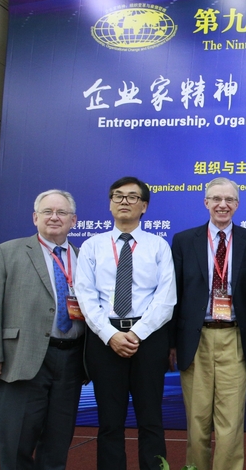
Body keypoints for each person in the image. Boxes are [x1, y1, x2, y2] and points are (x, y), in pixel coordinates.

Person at [0, 189, 84, 470]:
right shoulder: (6, 252)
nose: (54, 217)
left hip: (72, 360)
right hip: (22, 357)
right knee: (17, 440)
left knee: (58, 440)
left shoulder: (85, 257)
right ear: (35, 218)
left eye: (62, 212)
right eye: (47, 212)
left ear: (74, 220)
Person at [75, 176, 176, 470]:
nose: (124, 202)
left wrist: (136, 334)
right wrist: (111, 335)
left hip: (148, 339)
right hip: (104, 340)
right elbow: (85, 296)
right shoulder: (92, 246)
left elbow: (166, 298)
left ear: (144, 206)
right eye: (118, 196)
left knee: (151, 419)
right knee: (109, 421)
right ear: (110, 204)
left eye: (132, 197)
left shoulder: (159, 246)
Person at [170, 177, 246, 470]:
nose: (222, 205)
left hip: (234, 338)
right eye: (216, 199)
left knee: (231, 422)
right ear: (206, 202)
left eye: (229, 200)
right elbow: (174, 294)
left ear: (237, 204)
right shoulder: (184, 241)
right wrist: (171, 344)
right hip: (195, 339)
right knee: (197, 420)